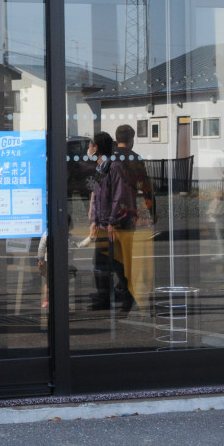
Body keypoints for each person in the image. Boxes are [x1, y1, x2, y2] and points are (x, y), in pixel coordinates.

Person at [86, 131, 136, 313]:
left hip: (115, 225)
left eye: (90, 146)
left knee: (117, 263)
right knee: (100, 263)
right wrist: (94, 220)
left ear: (97, 148)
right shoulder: (101, 167)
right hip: (102, 224)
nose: (88, 149)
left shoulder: (114, 167)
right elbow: (98, 196)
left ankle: (128, 295)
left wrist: (112, 222)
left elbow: (119, 196)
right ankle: (104, 298)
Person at [114, 124, 153, 314]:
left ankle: (117, 290)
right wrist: (152, 211)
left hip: (109, 214)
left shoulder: (109, 157)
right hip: (128, 213)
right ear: (131, 140)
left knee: (110, 255)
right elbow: (145, 185)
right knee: (126, 255)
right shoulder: (135, 159)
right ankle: (126, 293)